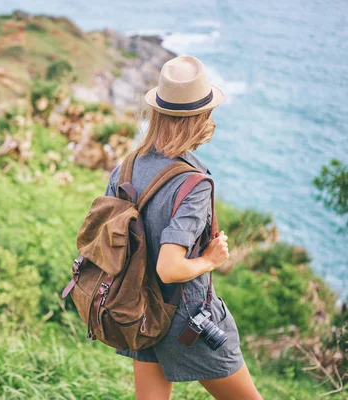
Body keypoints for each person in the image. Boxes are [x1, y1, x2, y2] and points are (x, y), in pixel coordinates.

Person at [105, 56, 263, 400]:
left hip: (139, 307)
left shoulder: (126, 168)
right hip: (189, 318)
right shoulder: (193, 182)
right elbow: (170, 266)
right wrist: (210, 259)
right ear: (200, 118)